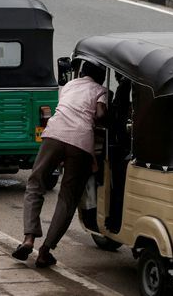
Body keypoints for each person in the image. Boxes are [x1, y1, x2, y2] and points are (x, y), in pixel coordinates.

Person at [14, 59, 107, 268]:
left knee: (35, 184)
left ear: (82, 72)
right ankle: (45, 251)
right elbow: (100, 115)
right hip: (80, 142)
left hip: (54, 135)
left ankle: (28, 239)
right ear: (101, 76)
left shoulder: (69, 86)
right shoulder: (101, 90)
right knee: (68, 197)